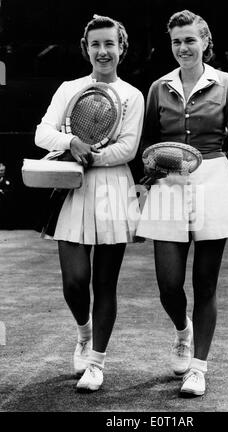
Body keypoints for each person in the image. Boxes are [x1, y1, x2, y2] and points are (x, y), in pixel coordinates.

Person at [136, 10, 228, 397]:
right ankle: (182, 332)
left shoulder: (227, 83)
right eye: (177, 41)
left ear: (205, 42)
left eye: (190, 40)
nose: (183, 48)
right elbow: (146, 145)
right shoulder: (158, 87)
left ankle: (198, 367)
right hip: (169, 186)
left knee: (205, 283)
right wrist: (150, 172)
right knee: (168, 285)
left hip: (215, 181)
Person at [35, 14, 144, 392]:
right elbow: (42, 132)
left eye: (109, 44)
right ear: (87, 49)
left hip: (113, 189)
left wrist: (92, 155)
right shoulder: (69, 88)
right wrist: (70, 144)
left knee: (105, 283)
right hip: (72, 189)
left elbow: (128, 148)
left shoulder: (133, 95)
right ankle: (83, 333)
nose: (103, 51)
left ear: (121, 49)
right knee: (74, 282)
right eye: (96, 44)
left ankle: (96, 362)